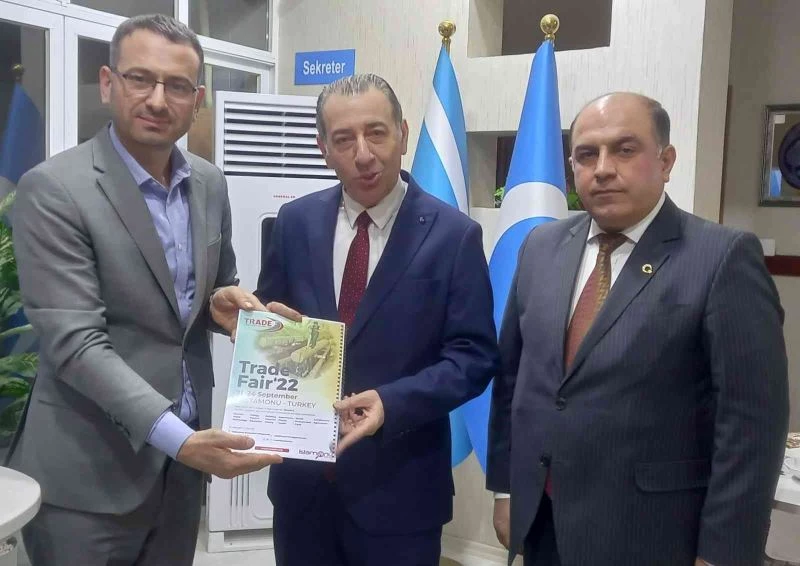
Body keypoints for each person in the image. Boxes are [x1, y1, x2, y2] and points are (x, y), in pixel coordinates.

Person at [7, 14, 295, 565]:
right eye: (140, 78)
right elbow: (75, 343)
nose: (158, 100)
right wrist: (180, 439)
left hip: (180, 473)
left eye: (178, 86)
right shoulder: (55, 189)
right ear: (108, 83)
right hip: (88, 475)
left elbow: (205, 291)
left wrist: (221, 306)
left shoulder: (209, 183)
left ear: (197, 100)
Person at [487, 92, 789, 566]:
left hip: (652, 533)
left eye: (625, 150)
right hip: (543, 522)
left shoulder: (721, 258)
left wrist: (723, 552)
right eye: (587, 154)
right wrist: (506, 490)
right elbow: (512, 380)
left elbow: (751, 424)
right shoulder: (541, 246)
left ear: (665, 162)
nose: (603, 169)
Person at [254, 73, 499, 565]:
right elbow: (272, 314)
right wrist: (252, 322)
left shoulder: (454, 236)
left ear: (403, 134)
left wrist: (392, 402)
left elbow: (473, 358)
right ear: (323, 149)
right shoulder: (294, 222)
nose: (363, 154)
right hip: (302, 490)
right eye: (344, 139)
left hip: (401, 493)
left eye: (377, 133)